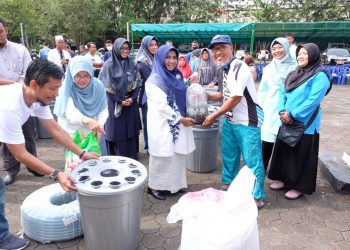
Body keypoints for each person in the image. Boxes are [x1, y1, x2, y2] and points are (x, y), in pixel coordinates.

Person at [0, 59, 99, 250]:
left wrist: (81, 153)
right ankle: (2, 239)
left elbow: (55, 130)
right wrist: (56, 174)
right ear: (35, 84)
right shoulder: (10, 107)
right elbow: (20, 154)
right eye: (52, 89)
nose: (57, 94)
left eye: (58, 88)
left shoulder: (35, 97)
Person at [202, 35, 265, 209]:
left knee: (252, 160)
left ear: (231, 47)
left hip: (248, 121)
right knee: (229, 156)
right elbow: (224, 95)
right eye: (215, 49)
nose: (218, 52)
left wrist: (214, 116)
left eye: (222, 48)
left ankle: (256, 196)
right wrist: (206, 95)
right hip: (231, 120)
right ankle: (229, 184)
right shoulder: (224, 69)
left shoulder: (239, 67)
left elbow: (236, 98)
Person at [268, 43, 330, 200]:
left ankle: (298, 186)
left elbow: (312, 101)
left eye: (305, 53)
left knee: (300, 155)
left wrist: (292, 114)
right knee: (285, 151)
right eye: (299, 53)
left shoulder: (320, 76)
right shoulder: (294, 73)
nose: (300, 56)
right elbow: (282, 93)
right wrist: (282, 111)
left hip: (305, 124)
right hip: (286, 119)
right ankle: (283, 179)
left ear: (314, 55)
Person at [146, 45, 195, 200]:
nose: (172, 61)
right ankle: (154, 187)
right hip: (162, 123)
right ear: (160, 58)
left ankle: (176, 185)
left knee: (176, 154)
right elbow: (161, 106)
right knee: (162, 155)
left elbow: (182, 93)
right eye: (168, 57)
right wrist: (180, 119)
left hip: (178, 122)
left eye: (174, 57)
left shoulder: (177, 75)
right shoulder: (154, 80)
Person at [0, 17, 41, 186]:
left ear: (6, 30)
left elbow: (30, 71)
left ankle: (33, 165)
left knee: (28, 133)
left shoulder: (20, 49)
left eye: (0, 31)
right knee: (8, 137)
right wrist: (15, 83)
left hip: (23, 99)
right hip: (3, 102)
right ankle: (11, 169)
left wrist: (20, 82)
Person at [258, 37, 297, 170]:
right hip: (270, 109)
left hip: (288, 110)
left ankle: (281, 175)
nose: (277, 51)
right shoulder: (268, 68)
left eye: (280, 47)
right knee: (266, 141)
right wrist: (260, 109)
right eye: (273, 49)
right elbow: (263, 90)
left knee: (285, 143)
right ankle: (261, 170)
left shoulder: (296, 67)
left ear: (286, 47)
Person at [99, 38, 141, 160]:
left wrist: (133, 98)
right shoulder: (108, 65)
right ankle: (118, 159)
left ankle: (132, 158)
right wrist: (119, 101)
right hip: (115, 104)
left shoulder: (131, 64)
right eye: (122, 48)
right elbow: (106, 87)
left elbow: (138, 83)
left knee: (130, 131)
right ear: (116, 48)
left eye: (127, 48)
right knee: (118, 132)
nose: (125, 51)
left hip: (130, 103)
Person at [54, 56, 108, 150]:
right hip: (71, 135)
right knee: (76, 163)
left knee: (99, 161)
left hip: (93, 132)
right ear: (72, 74)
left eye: (86, 75)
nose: (82, 80)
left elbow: (103, 108)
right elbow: (69, 112)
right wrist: (87, 120)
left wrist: (100, 125)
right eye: (78, 75)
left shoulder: (98, 86)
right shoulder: (65, 87)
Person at [135, 35, 159, 154]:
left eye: (156, 44)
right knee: (148, 122)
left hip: (155, 96)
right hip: (146, 97)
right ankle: (148, 147)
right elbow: (152, 79)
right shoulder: (142, 62)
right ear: (145, 46)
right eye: (151, 45)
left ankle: (154, 145)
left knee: (155, 122)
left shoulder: (154, 58)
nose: (154, 47)